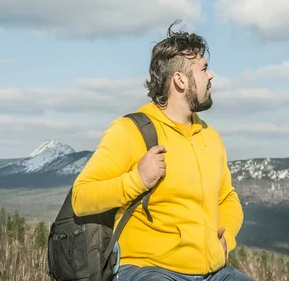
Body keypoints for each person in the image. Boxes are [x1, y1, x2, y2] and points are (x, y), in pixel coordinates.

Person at [71, 22, 253, 281]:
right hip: (149, 270)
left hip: (213, 272)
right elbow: (81, 197)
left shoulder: (210, 137)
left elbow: (227, 199)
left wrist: (228, 239)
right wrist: (137, 180)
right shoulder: (131, 130)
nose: (210, 76)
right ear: (180, 80)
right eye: (203, 70)